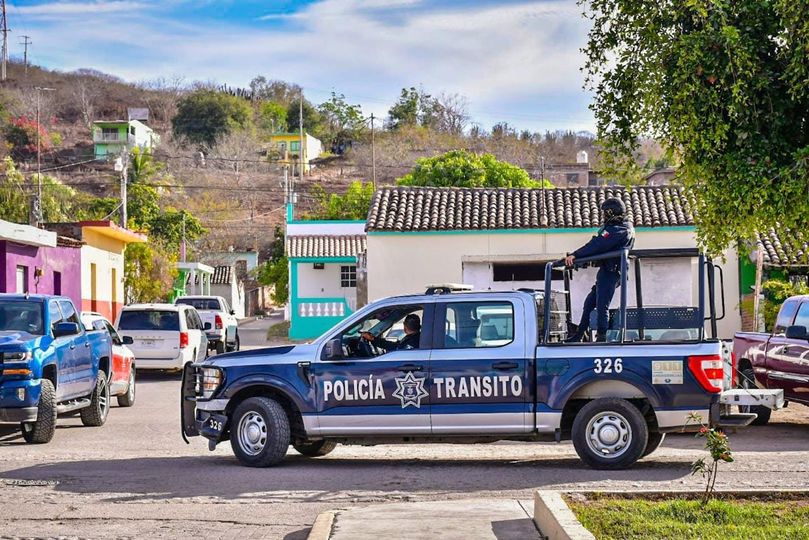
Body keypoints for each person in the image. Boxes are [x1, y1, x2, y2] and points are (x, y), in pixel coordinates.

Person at [565, 197, 635, 343]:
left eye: (605, 213)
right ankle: (580, 334)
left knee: (602, 304)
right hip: (608, 270)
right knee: (589, 303)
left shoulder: (620, 229)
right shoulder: (621, 227)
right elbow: (598, 244)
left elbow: (597, 244)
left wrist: (576, 255)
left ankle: (601, 337)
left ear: (611, 212)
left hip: (611, 272)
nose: (604, 217)